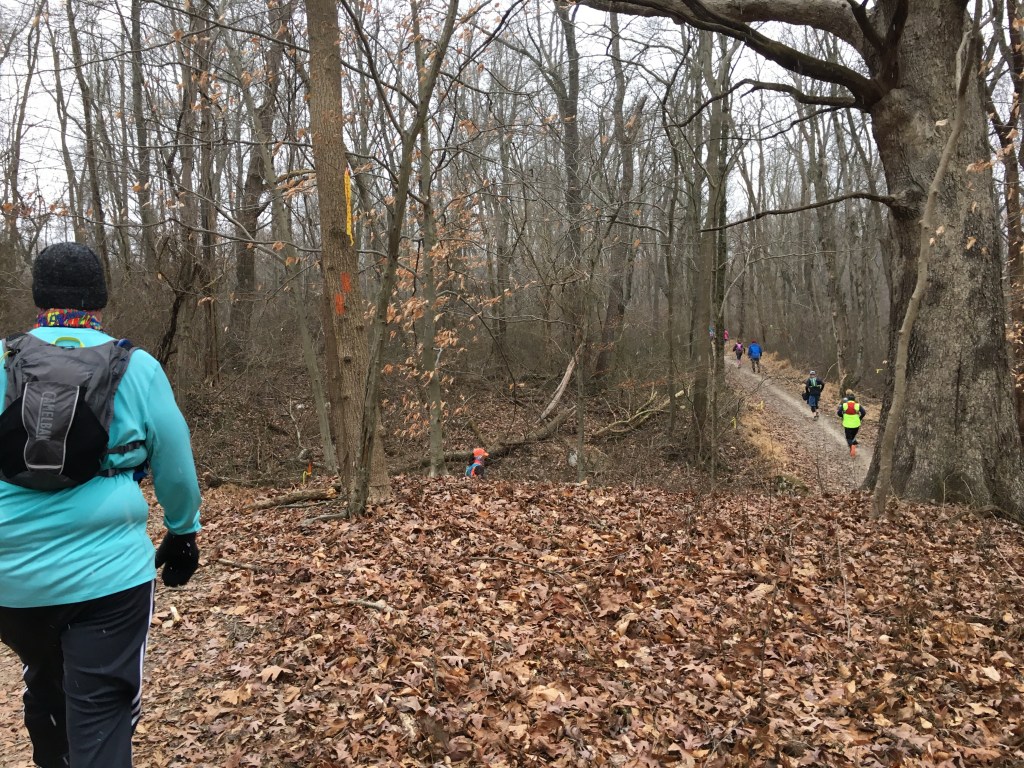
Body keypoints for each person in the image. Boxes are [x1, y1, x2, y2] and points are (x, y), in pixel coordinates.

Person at [0, 242, 202, 768]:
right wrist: (183, 532)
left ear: (38, 295)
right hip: (107, 581)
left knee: (46, 683)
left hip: (12, 583)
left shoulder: (3, 359)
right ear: (101, 298)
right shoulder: (135, 368)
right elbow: (175, 464)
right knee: (103, 713)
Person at [837, 389, 867, 456]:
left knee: (848, 438)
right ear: (854, 399)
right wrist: (860, 418)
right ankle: (853, 444)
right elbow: (864, 412)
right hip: (856, 423)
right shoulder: (857, 405)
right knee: (853, 436)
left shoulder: (844, 405)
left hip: (847, 423)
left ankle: (852, 448)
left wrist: (843, 416)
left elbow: (838, 413)